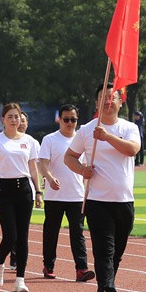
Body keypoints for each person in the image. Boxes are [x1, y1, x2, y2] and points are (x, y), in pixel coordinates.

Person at [65, 86, 140, 292]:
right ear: (96, 103)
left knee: (116, 252)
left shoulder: (129, 128)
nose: (109, 101)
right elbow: (69, 157)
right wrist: (82, 170)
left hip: (124, 200)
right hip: (98, 200)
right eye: (103, 98)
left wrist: (107, 136)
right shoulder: (87, 130)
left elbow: (132, 150)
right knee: (104, 251)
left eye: (113, 97)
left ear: (120, 101)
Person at [0, 103, 42, 292]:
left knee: (23, 236)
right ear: (3, 119)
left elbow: (33, 168)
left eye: (16, 117)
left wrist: (39, 191)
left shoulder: (30, 141)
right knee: (10, 235)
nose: (14, 120)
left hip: (24, 189)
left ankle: (20, 279)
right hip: (4, 189)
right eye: (10, 116)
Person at [38, 104, 94, 282]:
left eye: (74, 119)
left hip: (76, 194)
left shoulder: (82, 139)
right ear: (59, 120)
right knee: (51, 231)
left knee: (77, 232)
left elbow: (85, 166)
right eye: (66, 119)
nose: (70, 123)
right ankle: (49, 265)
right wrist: (49, 177)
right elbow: (42, 163)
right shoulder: (50, 139)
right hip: (55, 195)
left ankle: (81, 268)